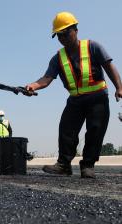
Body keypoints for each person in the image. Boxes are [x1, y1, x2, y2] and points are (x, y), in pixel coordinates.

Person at [25, 12, 122, 178]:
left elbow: (108, 66)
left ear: (76, 30)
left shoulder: (93, 47)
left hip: (97, 97)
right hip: (75, 100)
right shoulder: (58, 58)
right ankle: (64, 165)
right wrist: (33, 85)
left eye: (65, 33)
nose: (62, 38)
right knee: (66, 130)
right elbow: (47, 78)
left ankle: (88, 166)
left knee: (95, 130)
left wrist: (119, 87)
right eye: (59, 36)